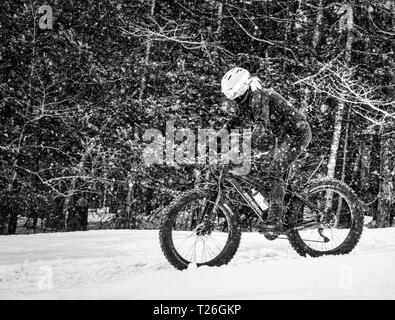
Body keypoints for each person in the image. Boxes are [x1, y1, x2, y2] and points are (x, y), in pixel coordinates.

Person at [221, 67, 312, 234]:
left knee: (274, 172)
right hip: (283, 136)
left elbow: (263, 130)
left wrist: (242, 146)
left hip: (296, 134)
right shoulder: (247, 99)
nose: (233, 98)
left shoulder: (259, 97)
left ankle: (275, 220)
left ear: (241, 87)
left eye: (233, 94)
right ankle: (281, 208)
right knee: (260, 171)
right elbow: (236, 120)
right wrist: (218, 137)